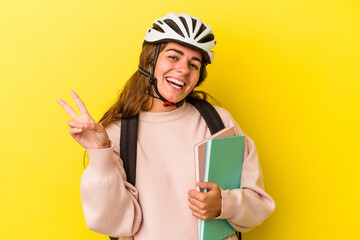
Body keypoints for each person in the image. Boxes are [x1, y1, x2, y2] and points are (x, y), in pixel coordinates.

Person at [57, 13, 275, 240]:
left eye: (194, 64)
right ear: (150, 61)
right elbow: (112, 223)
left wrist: (224, 204)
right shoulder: (116, 133)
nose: (183, 69)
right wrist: (100, 155)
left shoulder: (218, 123)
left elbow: (258, 204)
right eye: (173, 57)